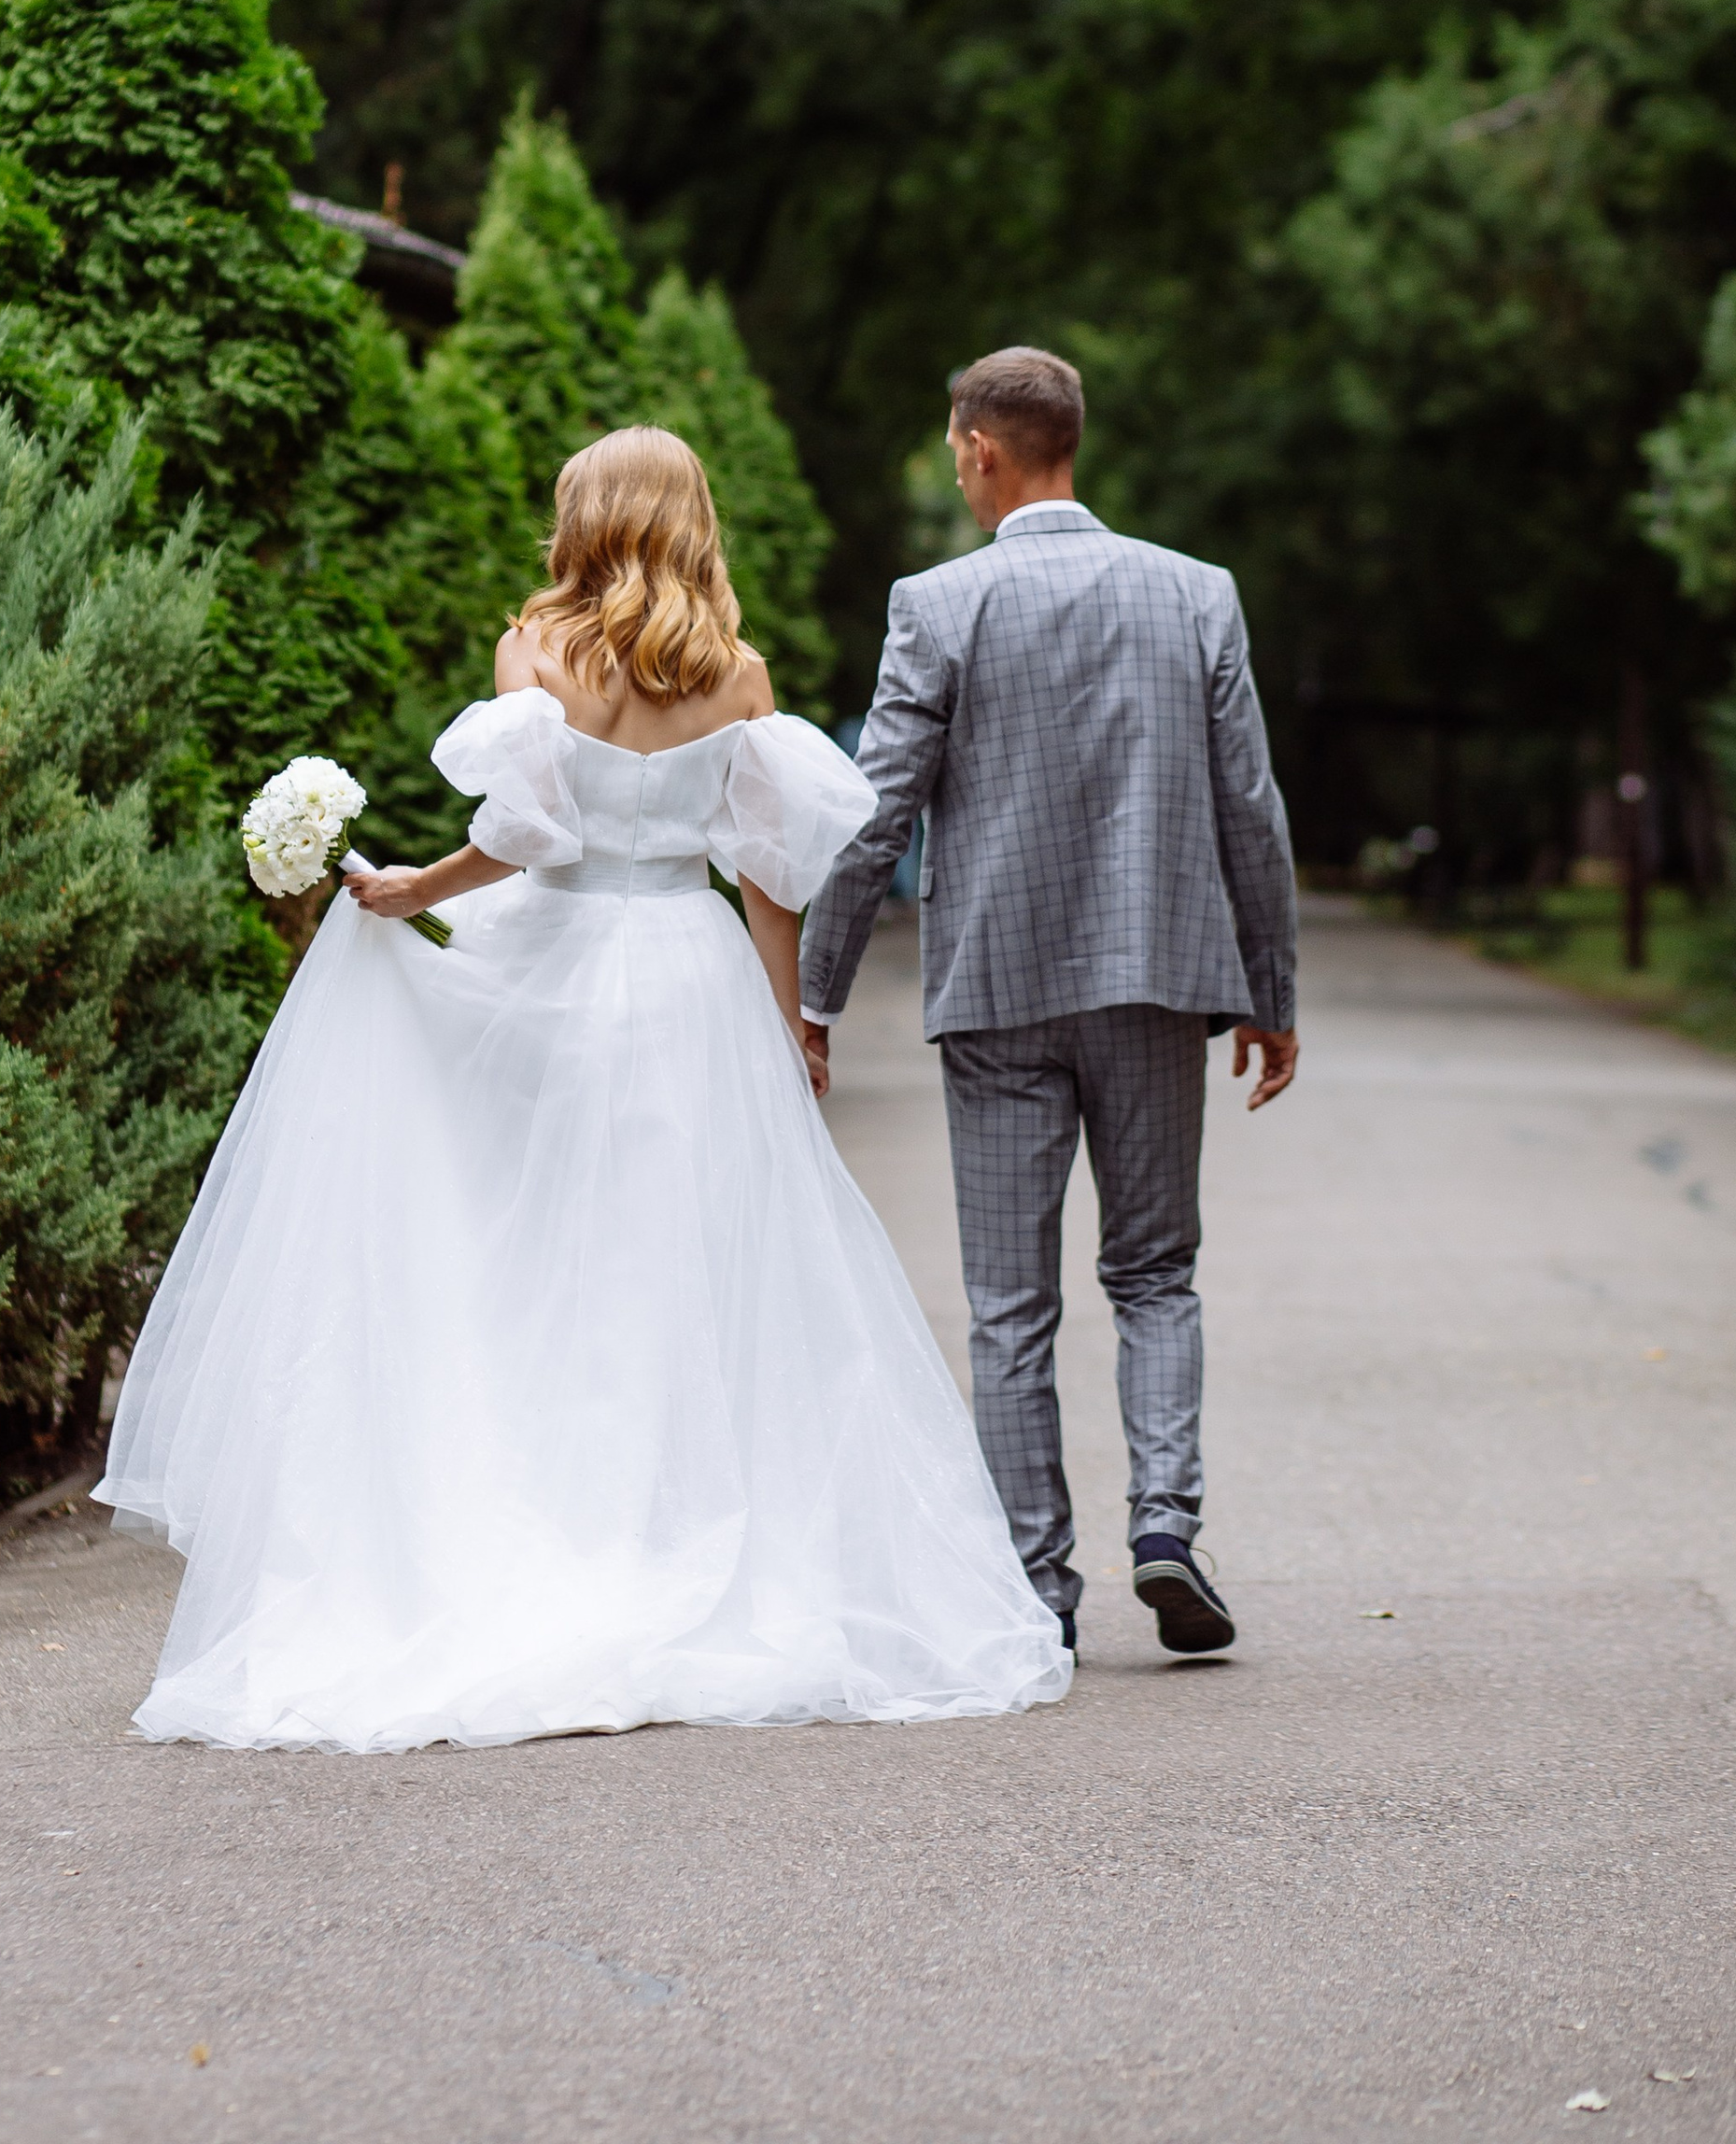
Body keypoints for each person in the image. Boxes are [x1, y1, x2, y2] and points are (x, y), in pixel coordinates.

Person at [96, 426, 1071, 1752]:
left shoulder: (537, 652)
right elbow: (769, 872)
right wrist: (792, 1027)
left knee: (534, 1261)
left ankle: (539, 1528)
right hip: (689, 977)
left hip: (551, 974)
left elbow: (521, 836)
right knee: (683, 1270)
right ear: (689, 519)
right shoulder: (736, 676)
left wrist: (407, 891)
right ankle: (676, 1536)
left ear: (586, 516)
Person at [800, 346, 1297, 1659]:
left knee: (1010, 1303)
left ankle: (1038, 1593)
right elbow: (1251, 806)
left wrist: (817, 992)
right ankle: (1167, 1529)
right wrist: (1271, 988)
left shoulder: (938, 604)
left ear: (979, 450)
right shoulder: (1196, 594)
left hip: (1001, 996)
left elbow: (875, 814)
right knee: (1154, 1273)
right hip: (1153, 983)